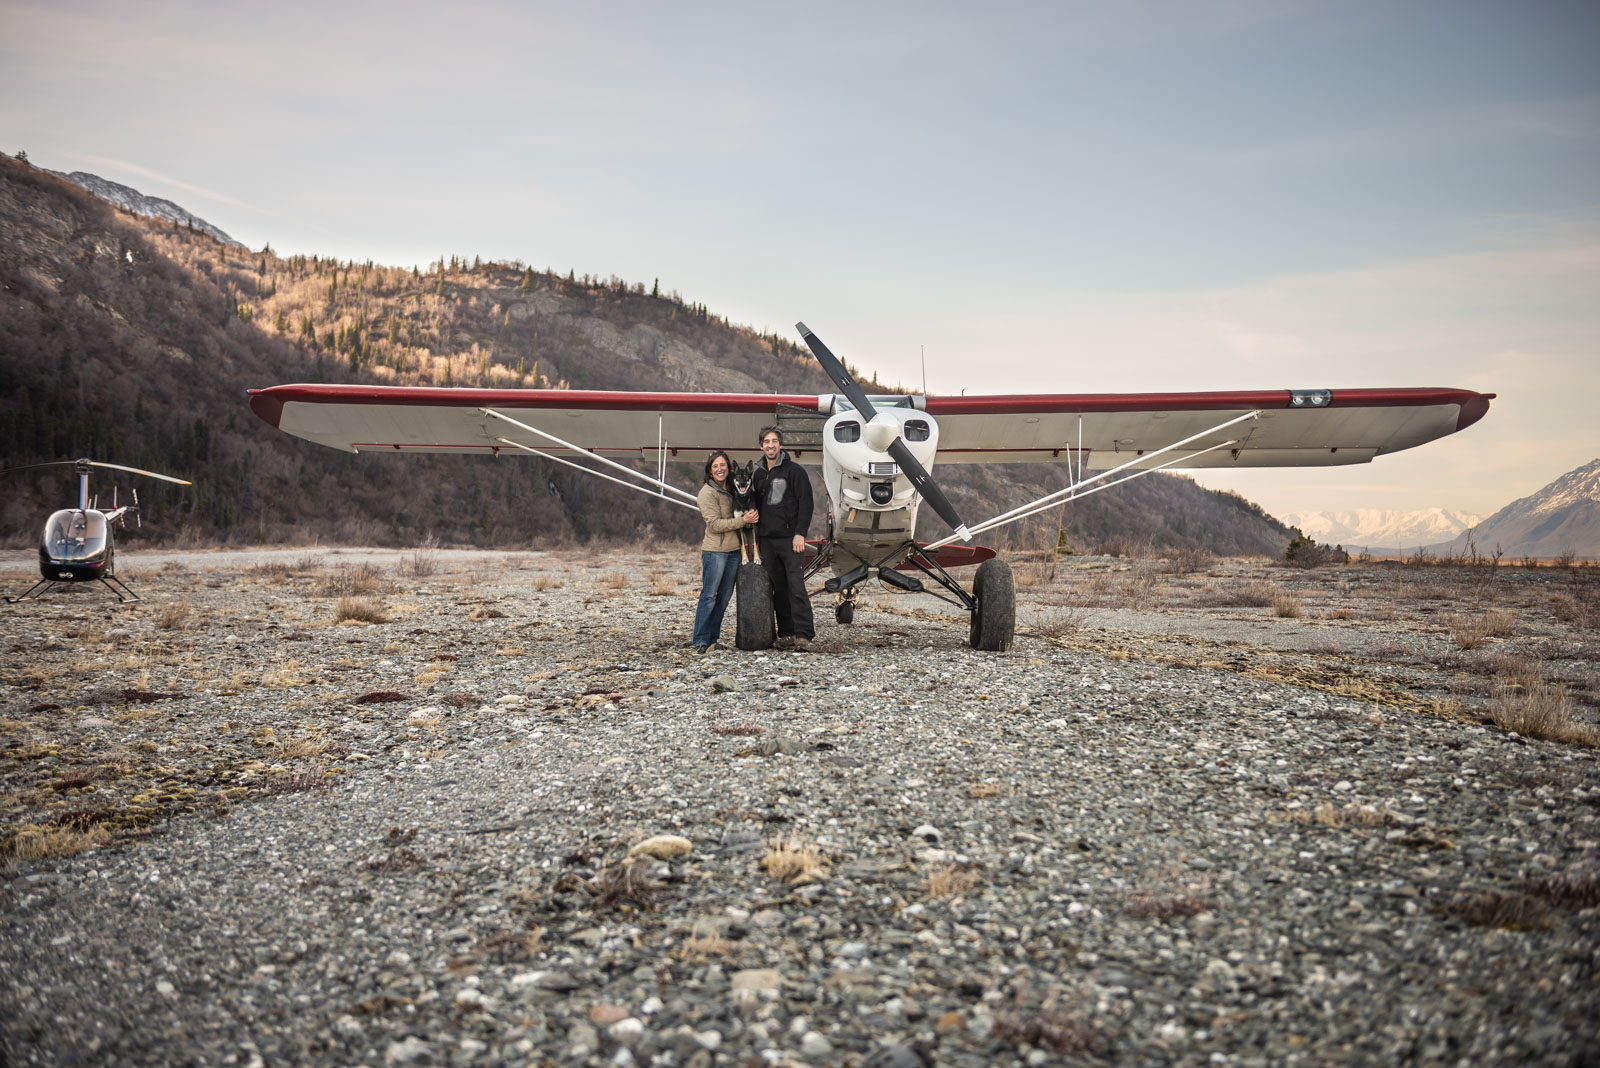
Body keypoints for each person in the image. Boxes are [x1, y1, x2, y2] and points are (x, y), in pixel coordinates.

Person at [749, 426, 815, 651]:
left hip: (790, 539)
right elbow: (755, 506)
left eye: (774, 441)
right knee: (778, 588)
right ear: (761, 446)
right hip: (767, 540)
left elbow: (806, 504)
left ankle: (804, 634)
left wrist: (800, 533)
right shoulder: (758, 474)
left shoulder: (795, 471)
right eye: (766, 442)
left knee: (796, 586)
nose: (770, 445)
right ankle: (787, 633)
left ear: (780, 444)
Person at [692, 450, 758, 652]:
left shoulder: (733, 488)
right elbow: (714, 525)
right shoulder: (707, 493)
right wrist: (742, 521)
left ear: (728, 469)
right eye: (715, 466)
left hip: (733, 552)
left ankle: (713, 639)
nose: (720, 469)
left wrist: (749, 522)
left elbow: (741, 519)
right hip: (715, 552)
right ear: (710, 471)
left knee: (724, 597)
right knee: (709, 595)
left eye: (723, 465)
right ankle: (701, 640)